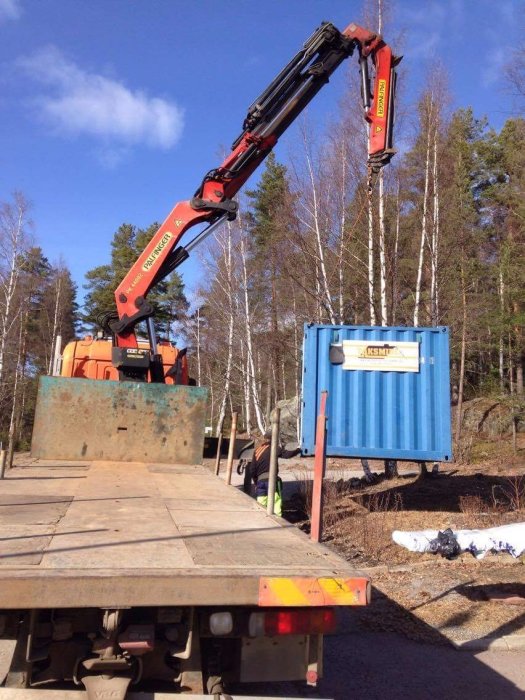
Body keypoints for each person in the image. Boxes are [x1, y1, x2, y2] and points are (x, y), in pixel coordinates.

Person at [250, 430, 300, 516]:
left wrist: (256, 483)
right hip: (272, 480)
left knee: (261, 502)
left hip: (261, 481)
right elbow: (287, 455)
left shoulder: (257, 451)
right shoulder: (274, 448)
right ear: (274, 439)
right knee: (276, 501)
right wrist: (298, 450)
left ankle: (261, 520)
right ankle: (278, 520)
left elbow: (252, 470)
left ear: (265, 439)